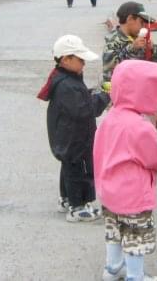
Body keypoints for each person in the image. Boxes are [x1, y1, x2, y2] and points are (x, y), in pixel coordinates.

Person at [94, 60, 157, 281]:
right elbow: (154, 158)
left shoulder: (110, 117)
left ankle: (113, 269)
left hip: (109, 192)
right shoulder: (140, 127)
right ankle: (135, 276)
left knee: (114, 232)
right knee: (135, 238)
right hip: (132, 196)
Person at [37, 34, 110, 222]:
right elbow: (86, 110)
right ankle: (77, 207)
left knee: (69, 167)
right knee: (79, 170)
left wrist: (93, 93)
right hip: (75, 138)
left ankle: (67, 199)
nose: (84, 63)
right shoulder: (67, 85)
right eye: (80, 59)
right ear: (66, 59)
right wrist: (105, 96)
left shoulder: (66, 78)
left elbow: (80, 100)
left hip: (68, 136)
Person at [102, 1, 157, 82]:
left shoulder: (137, 38)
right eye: (141, 23)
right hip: (120, 88)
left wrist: (152, 50)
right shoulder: (113, 41)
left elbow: (153, 66)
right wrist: (132, 48)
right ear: (130, 19)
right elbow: (111, 70)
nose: (143, 27)